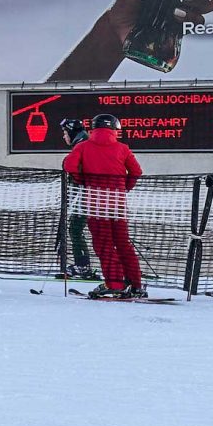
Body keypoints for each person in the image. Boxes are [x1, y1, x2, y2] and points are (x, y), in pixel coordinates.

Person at [61, 112, 145, 297]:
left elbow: (69, 166)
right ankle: (136, 284)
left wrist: (83, 181)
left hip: (96, 207)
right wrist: (124, 189)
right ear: (114, 129)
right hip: (118, 207)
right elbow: (136, 171)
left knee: (104, 246)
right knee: (123, 244)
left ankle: (115, 283)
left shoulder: (83, 147)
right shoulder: (122, 148)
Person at [58, 117, 97, 278]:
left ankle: (83, 266)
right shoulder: (85, 143)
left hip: (87, 196)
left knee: (75, 229)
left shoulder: (81, 146)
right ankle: (84, 265)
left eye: (65, 133)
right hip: (95, 195)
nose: (63, 136)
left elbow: (72, 167)